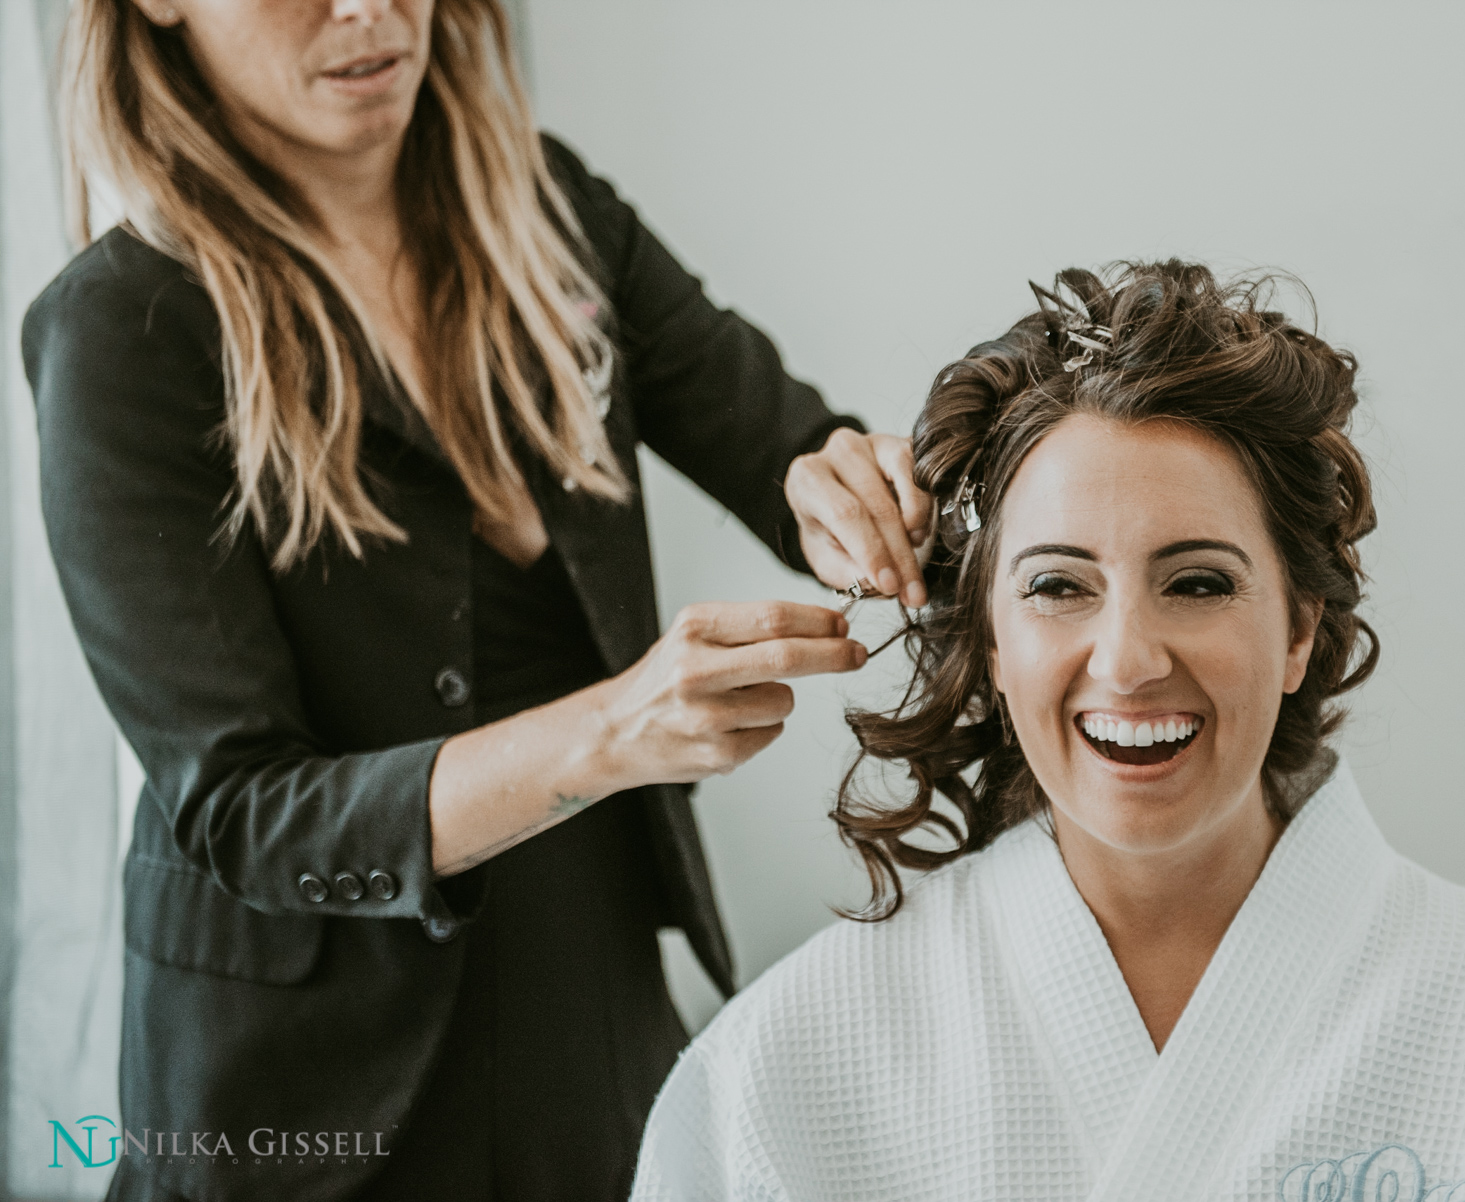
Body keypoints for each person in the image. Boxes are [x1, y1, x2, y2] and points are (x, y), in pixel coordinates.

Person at [23, 1, 935, 1199]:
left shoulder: (552, 211)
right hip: (305, 1091)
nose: (372, 9)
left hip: (586, 995)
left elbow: (780, 436)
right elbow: (249, 810)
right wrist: (616, 727)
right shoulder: (123, 329)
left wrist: (839, 484)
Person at [629, 262, 1465, 1201]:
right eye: (1058, 585)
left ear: (1300, 629)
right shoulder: (790, 1064)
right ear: (992, 643)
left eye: (1197, 581)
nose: (1130, 657)